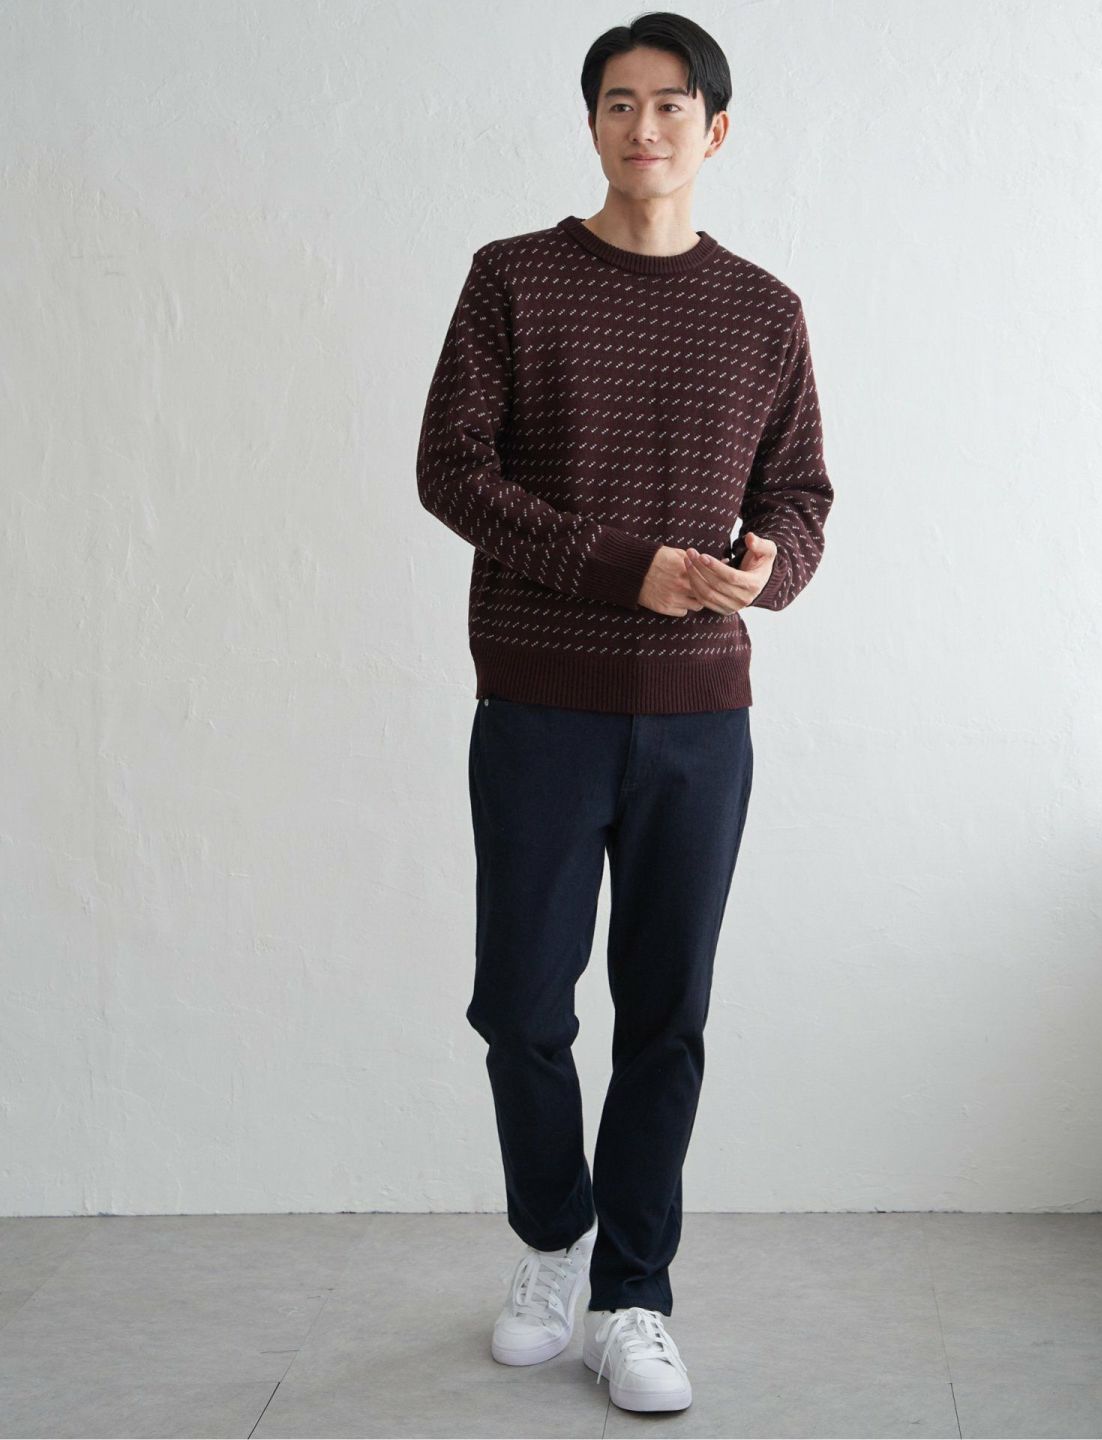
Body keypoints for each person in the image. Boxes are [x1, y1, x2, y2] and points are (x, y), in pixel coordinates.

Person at [415, 10, 834, 1415]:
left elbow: (801, 495)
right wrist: (621, 567)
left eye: (669, 105)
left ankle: (634, 1295)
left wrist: (770, 565)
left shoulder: (764, 310)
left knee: (667, 1014)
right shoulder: (513, 279)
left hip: (700, 717)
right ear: (591, 122)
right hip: (540, 703)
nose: (643, 127)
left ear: (715, 130)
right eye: (617, 103)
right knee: (521, 1006)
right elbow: (452, 470)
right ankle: (554, 1241)